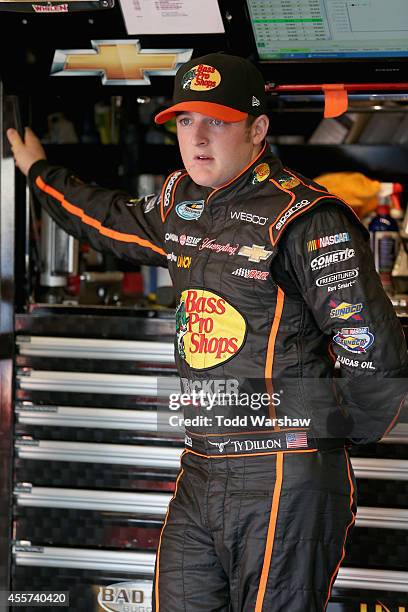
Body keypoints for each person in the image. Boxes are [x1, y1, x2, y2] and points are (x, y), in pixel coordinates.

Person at [7, 53, 407, 611]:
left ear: (258, 129)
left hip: (283, 479)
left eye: (217, 120)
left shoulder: (307, 217)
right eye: (186, 121)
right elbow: (106, 218)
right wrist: (37, 172)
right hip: (200, 467)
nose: (197, 137)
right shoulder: (179, 203)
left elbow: (379, 361)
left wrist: (312, 446)